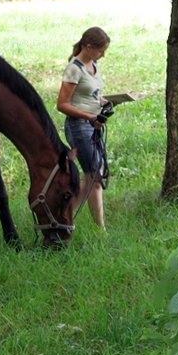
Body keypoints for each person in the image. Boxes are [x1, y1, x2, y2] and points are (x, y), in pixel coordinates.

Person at [56, 27, 111, 230]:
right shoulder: (74, 69)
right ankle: (100, 230)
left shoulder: (93, 64)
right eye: (100, 50)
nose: (103, 55)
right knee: (95, 177)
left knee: (93, 177)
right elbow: (62, 104)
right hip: (80, 127)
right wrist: (90, 115)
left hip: (94, 125)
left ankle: (63, 216)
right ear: (88, 47)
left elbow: (91, 95)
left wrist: (108, 102)